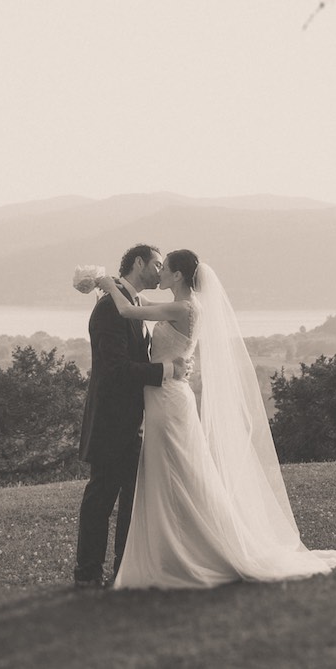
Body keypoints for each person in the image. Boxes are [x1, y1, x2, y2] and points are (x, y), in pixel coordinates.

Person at [94, 248, 336, 588]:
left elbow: (127, 310)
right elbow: (142, 312)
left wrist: (107, 285)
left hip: (168, 399)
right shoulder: (184, 306)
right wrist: (118, 288)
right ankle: (168, 548)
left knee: (178, 471)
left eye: (164, 267)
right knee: (170, 473)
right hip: (164, 396)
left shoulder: (184, 308)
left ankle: (190, 549)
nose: (160, 272)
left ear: (177, 275)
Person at [73, 244, 187, 590]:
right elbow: (115, 370)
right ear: (139, 263)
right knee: (101, 498)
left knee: (131, 502)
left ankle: (124, 570)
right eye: (156, 264)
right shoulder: (110, 308)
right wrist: (167, 370)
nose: (159, 271)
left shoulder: (131, 303)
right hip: (112, 421)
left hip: (135, 421)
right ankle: (88, 573)